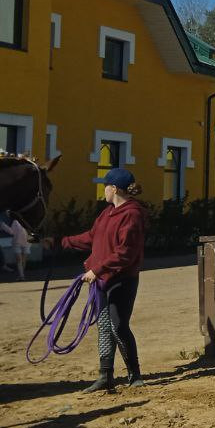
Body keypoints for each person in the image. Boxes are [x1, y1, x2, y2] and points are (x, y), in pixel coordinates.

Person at [45, 168, 148, 392]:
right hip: (103, 281)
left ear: (115, 188)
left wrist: (97, 270)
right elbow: (90, 238)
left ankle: (134, 374)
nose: (103, 190)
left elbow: (125, 252)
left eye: (106, 186)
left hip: (122, 279)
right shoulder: (106, 213)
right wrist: (59, 242)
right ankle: (105, 375)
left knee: (118, 325)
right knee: (104, 326)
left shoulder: (132, 214)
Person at [3, 211, 30, 280]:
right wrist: (3, 226)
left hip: (26, 241)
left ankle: (21, 275)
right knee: (19, 259)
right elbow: (12, 232)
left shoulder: (23, 220)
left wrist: (3, 226)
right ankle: (21, 276)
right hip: (18, 242)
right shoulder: (14, 222)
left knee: (23, 260)